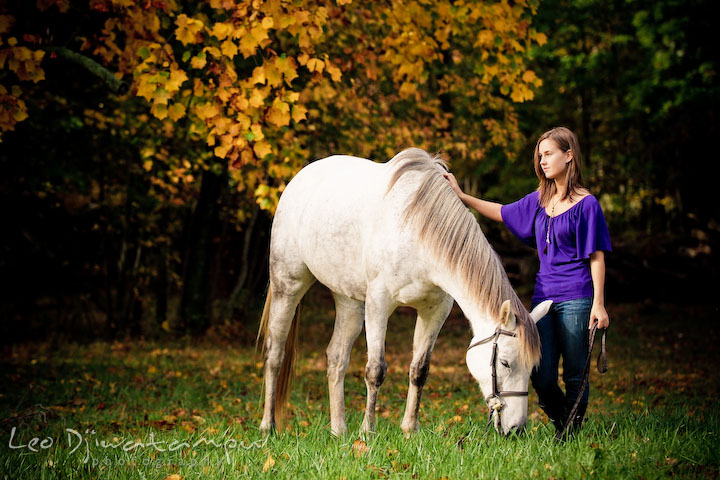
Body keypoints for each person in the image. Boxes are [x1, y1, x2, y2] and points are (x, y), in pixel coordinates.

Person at [443, 126, 611, 436]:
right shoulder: (539, 200)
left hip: (577, 297)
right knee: (540, 374)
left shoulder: (587, 205)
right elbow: (503, 212)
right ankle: (565, 421)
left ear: (569, 155)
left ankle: (569, 435)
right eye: (540, 156)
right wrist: (463, 197)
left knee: (575, 374)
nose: (543, 161)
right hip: (543, 299)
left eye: (549, 154)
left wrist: (598, 304)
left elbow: (596, 256)